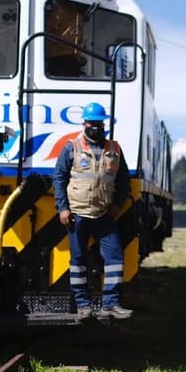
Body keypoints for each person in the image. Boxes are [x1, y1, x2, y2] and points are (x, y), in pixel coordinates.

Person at [52, 102, 133, 320]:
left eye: (99, 123)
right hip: (77, 214)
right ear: (84, 124)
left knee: (114, 258)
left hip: (104, 214)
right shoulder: (71, 147)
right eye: (91, 123)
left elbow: (124, 181)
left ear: (104, 124)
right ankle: (83, 305)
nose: (95, 127)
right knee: (78, 260)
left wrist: (117, 206)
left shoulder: (115, 150)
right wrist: (63, 208)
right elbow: (59, 179)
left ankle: (111, 304)